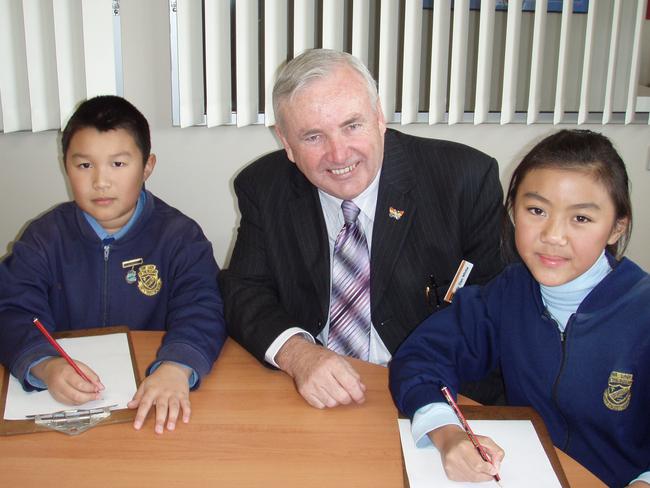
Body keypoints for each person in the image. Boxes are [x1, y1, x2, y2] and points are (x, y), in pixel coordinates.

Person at [220, 48, 507, 410]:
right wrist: (298, 354)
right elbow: (245, 290)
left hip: (436, 390)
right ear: (286, 142)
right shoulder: (264, 186)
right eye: (312, 137)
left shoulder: (464, 179)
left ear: (379, 117)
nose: (339, 155)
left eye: (352, 126)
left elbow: (495, 308)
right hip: (311, 391)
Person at [389, 129, 650, 488]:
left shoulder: (642, 313)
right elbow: (421, 356)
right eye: (536, 210)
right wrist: (446, 432)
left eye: (581, 219)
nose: (553, 235)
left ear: (616, 227)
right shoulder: (509, 293)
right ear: (513, 211)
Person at [0, 95, 227, 434]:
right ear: (66, 166)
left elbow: (203, 306)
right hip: (67, 406)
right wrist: (43, 364)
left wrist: (177, 366)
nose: (100, 182)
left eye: (118, 164)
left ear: (147, 166)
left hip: (148, 399)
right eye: (84, 165)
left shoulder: (180, 237)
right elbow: (12, 307)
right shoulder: (44, 238)